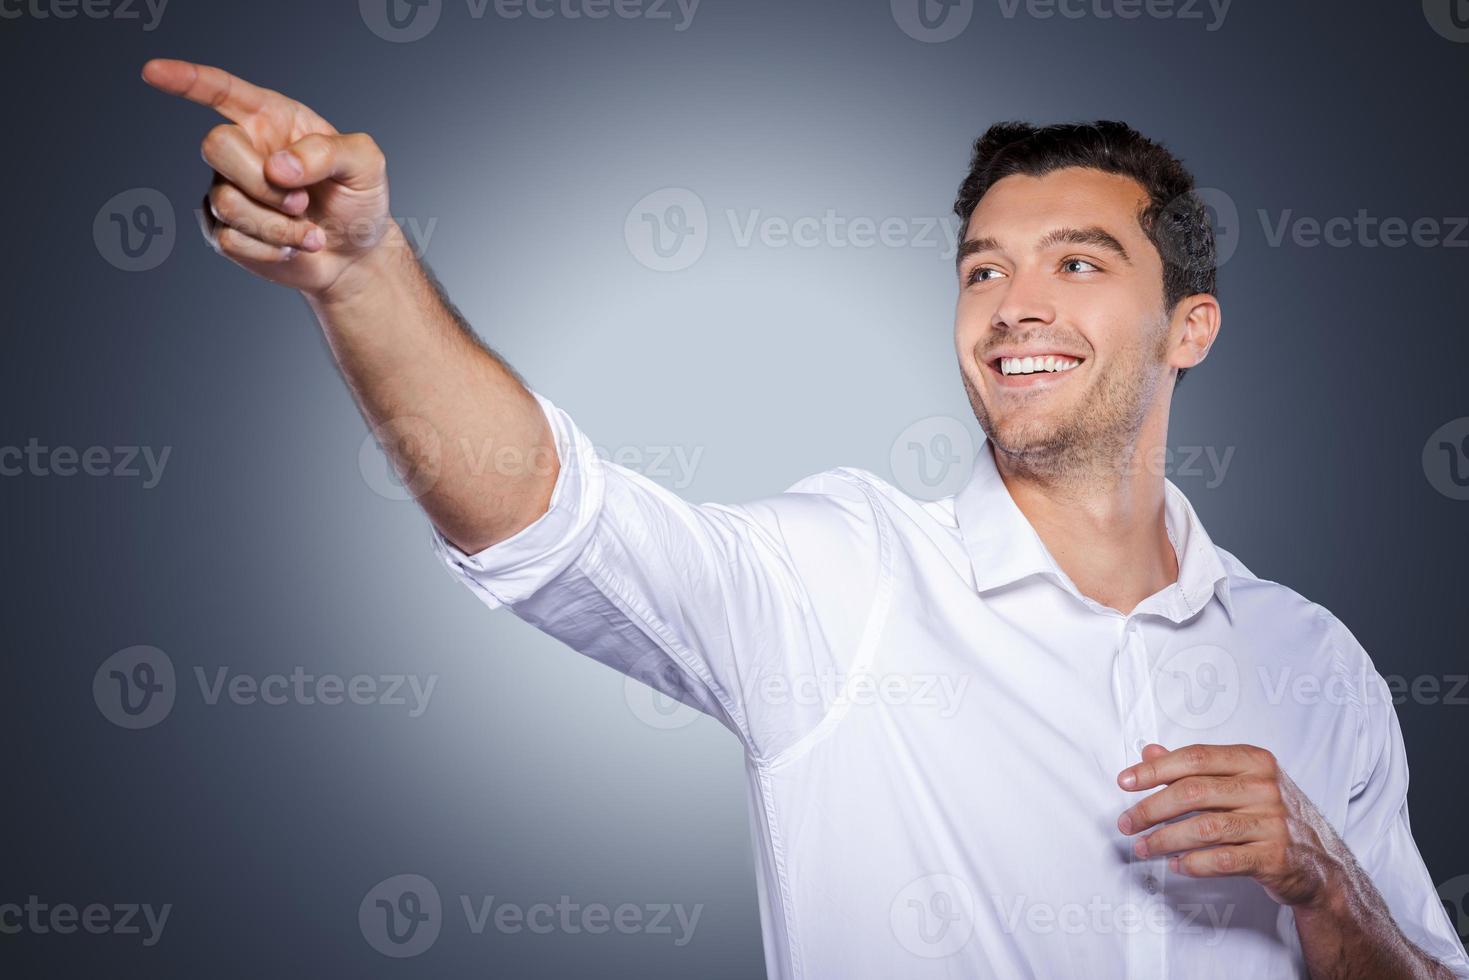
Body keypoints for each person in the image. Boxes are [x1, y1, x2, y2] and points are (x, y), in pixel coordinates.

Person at [143, 57, 1469, 978]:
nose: (1014, 302)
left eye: (1078, 263)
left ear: (1189, 326)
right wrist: (361, 272)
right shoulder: (847, 577)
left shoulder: (1312, 664)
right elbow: (547, 511)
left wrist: (1323, 878)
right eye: (982, 270)